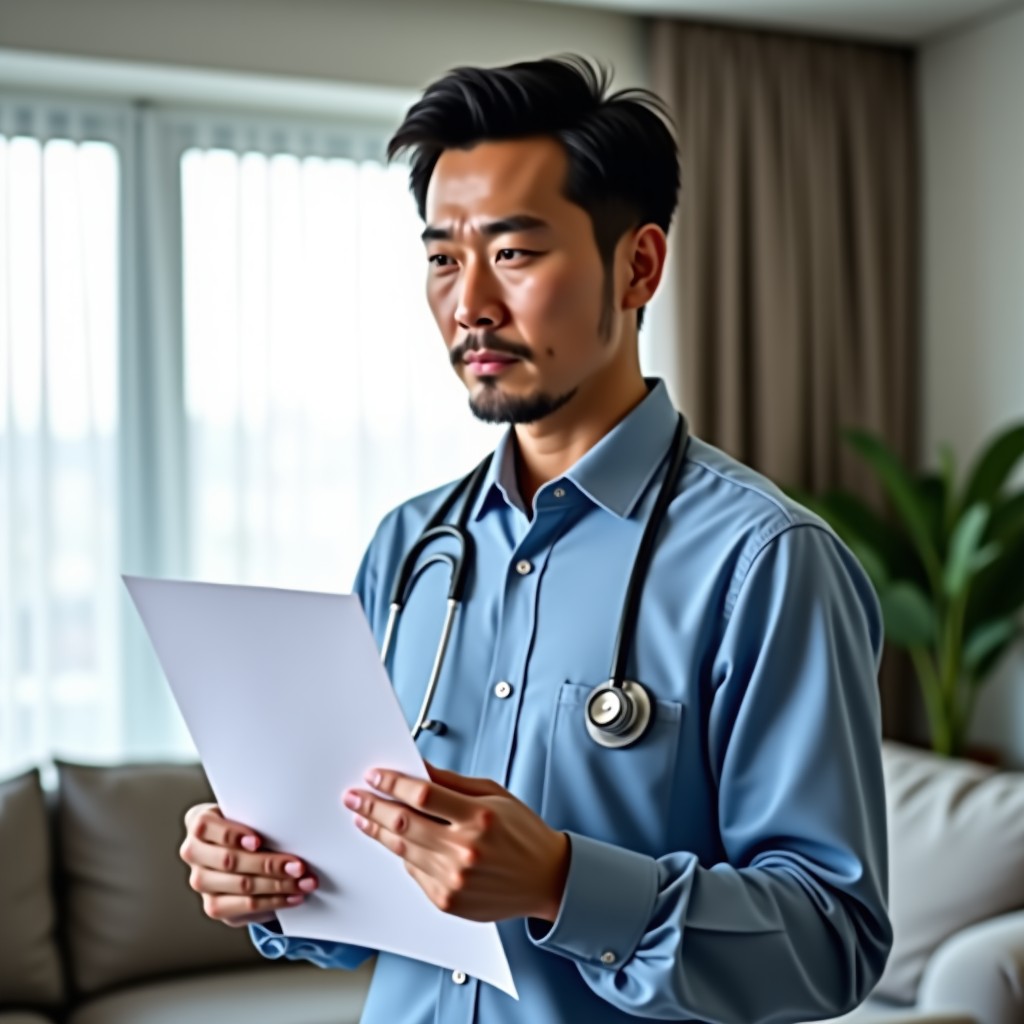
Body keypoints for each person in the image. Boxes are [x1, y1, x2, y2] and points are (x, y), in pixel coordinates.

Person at [178, 55, 892, 1023]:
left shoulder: (764, 563)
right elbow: (364, 900)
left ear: (637, 264)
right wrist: (273, 876)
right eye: (441, 257)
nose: (468, 300)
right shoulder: (408, 547)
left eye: (513, 253)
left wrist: (562, 881)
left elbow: (831, 941)